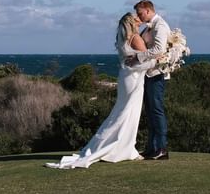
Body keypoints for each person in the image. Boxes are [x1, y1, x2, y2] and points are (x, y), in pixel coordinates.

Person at [45, 12, 156, 169]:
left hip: (126, 77)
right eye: (137, 19)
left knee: (122, 112)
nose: (140, 20)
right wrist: (159, 60)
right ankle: (120, 148)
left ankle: (123, 147)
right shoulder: (135, 38)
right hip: (134, 78)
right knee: (127, 113)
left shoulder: (122, 37)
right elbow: (146, 60)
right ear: (132, 22)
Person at [128, 0, 171, 160]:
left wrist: (137, 58)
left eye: (140, 13)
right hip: (147, 73)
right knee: (151, 112)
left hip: (156, 74)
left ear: (147, 10)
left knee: (156, 111)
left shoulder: (160, 25)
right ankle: (151, 148)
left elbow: (158, 49)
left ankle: (162, 148)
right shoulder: (149, 26)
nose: (138, 16)